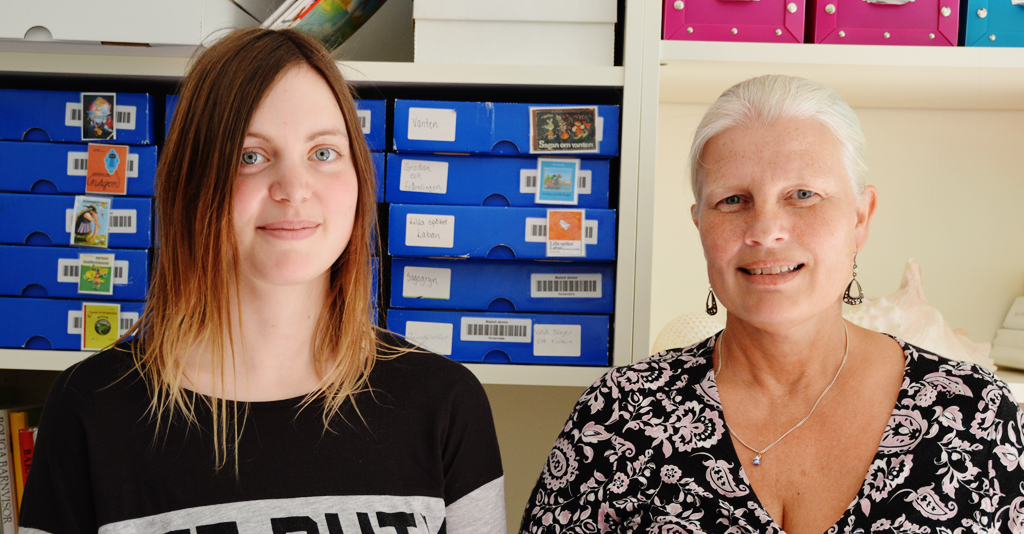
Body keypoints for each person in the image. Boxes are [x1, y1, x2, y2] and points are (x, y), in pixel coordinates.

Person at [20, 27, 505, 534]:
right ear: (192, 183)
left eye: (323, 153)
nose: (294, 189)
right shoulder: (91, 411)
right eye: (250, 156)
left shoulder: (446, 404)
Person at [520, 75, 1024, 534]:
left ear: (860, 217)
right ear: (700, 225)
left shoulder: (977, 415)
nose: (765, 231)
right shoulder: (618, 416)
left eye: (803, 194)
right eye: (733, 201)